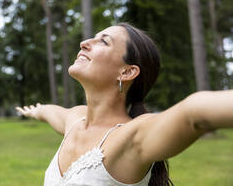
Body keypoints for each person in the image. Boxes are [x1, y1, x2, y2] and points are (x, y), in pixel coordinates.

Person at [15, 22, 233, 186]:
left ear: (127, 72)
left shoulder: (131, 137)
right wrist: (35, 111)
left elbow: (192, 113)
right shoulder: (75, 119)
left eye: (103, 41)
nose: (84, 43)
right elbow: (52, 112)